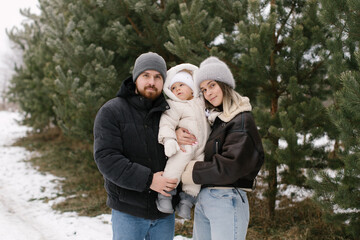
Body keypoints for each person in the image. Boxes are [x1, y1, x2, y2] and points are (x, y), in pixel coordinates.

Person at [93, 52, 179, 240]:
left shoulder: (171, 113)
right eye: (146, 75)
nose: (152, 82)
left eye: (158, 77)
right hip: (128, 211)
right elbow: (107, 158)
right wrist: (149, 180)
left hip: (164, 212)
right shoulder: (112, 111)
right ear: (136, 78)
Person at [178, 56, 265, 240]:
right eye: (203, 89)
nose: (208, 93)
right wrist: (179, 131)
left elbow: (230, 166)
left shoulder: (241, 120)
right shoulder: (218, 120)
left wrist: (188, 171)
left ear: (224, 84)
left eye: (212, 85)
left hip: (226, 199)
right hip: (205, 199)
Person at [156, 63, 210, 220]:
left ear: (192, 88)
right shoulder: (174, 105)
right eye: (173, 88)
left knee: (195, 176)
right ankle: (165, 196)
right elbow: (166, 123)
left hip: (202, 148)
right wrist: (169, 140)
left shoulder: (201, 102)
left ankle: (186, 202)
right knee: (174, 168)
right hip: (184, 147)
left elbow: (211, 115)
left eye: (181, 85)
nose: (177, 89)